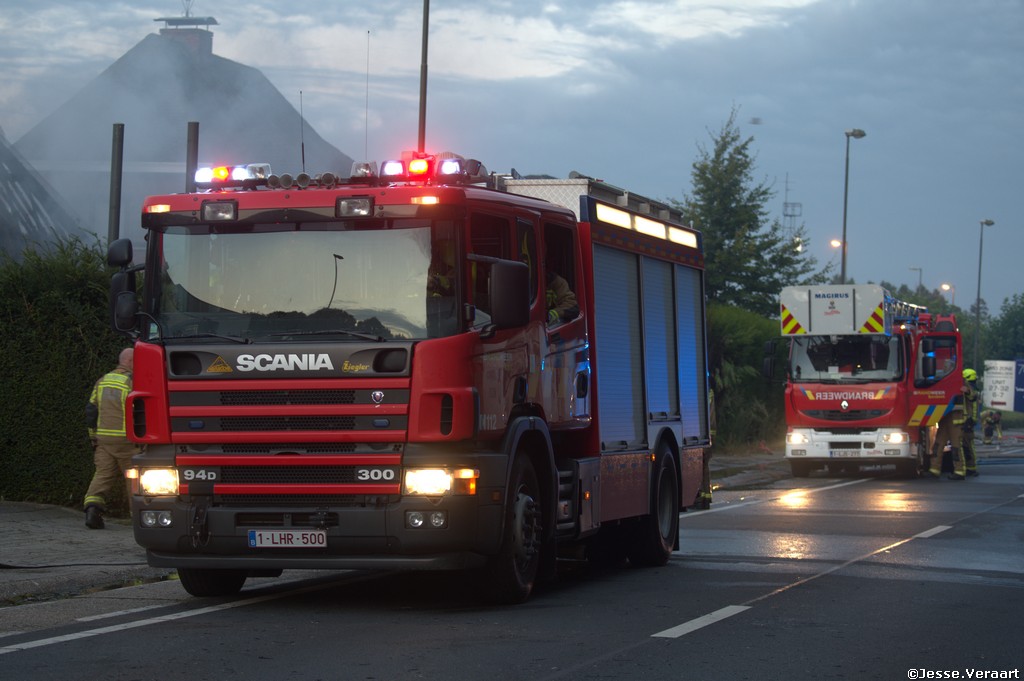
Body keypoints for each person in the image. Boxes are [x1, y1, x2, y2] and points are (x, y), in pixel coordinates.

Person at [83, 348, 139, 529]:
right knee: (134, 477)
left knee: (103, 475)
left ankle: (92, 510)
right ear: (130, 361)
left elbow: (91, 411)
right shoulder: (133, 382)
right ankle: (138, 517)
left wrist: (93, 437)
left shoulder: (102, 381)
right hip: (128, 442)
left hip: (104, 440)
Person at [698, 386, 717, 509]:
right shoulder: (708, 390)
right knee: (704, 467)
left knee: (702, 466)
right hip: (708, 435)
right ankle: (706, 498)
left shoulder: (704, 391)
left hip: (704, 435)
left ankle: (703, 498)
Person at [959, 368, 980, 478]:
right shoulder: (973, 388)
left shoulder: (971, 389)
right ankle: (970, 467)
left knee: (968, 446)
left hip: (969, 420)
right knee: (966, 445)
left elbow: (971, 396)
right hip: (970, 420)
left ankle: (971, 468)